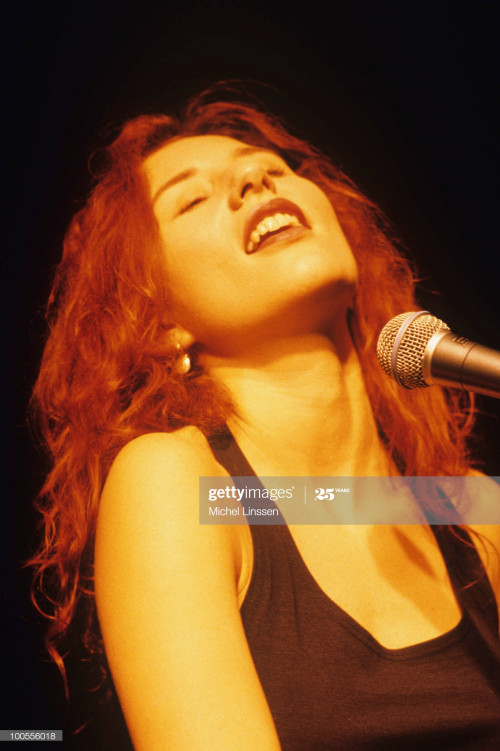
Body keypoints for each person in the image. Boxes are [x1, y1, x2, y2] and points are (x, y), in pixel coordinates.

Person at [30, 86, 500, 750]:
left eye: (274, 170)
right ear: (159, 320)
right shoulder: (186, 487)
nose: (255, 178)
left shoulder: (472, 511)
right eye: (191, 198)